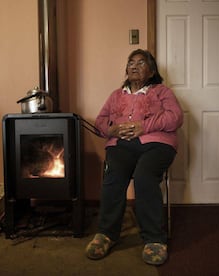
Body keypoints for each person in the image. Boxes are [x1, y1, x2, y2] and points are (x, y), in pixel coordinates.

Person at [85, 49, 183, 265]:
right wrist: (112, 130)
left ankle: (155, 239)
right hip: (121, 145)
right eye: (131, 62)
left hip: (157, 145)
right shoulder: (116, 95)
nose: (134, 66)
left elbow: (175, 117)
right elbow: (100, 121)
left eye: (141, 62)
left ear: (152, 71)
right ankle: (106, 234)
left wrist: (143, 126)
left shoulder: (161, 92)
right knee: (113, 176)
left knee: (144, 176)